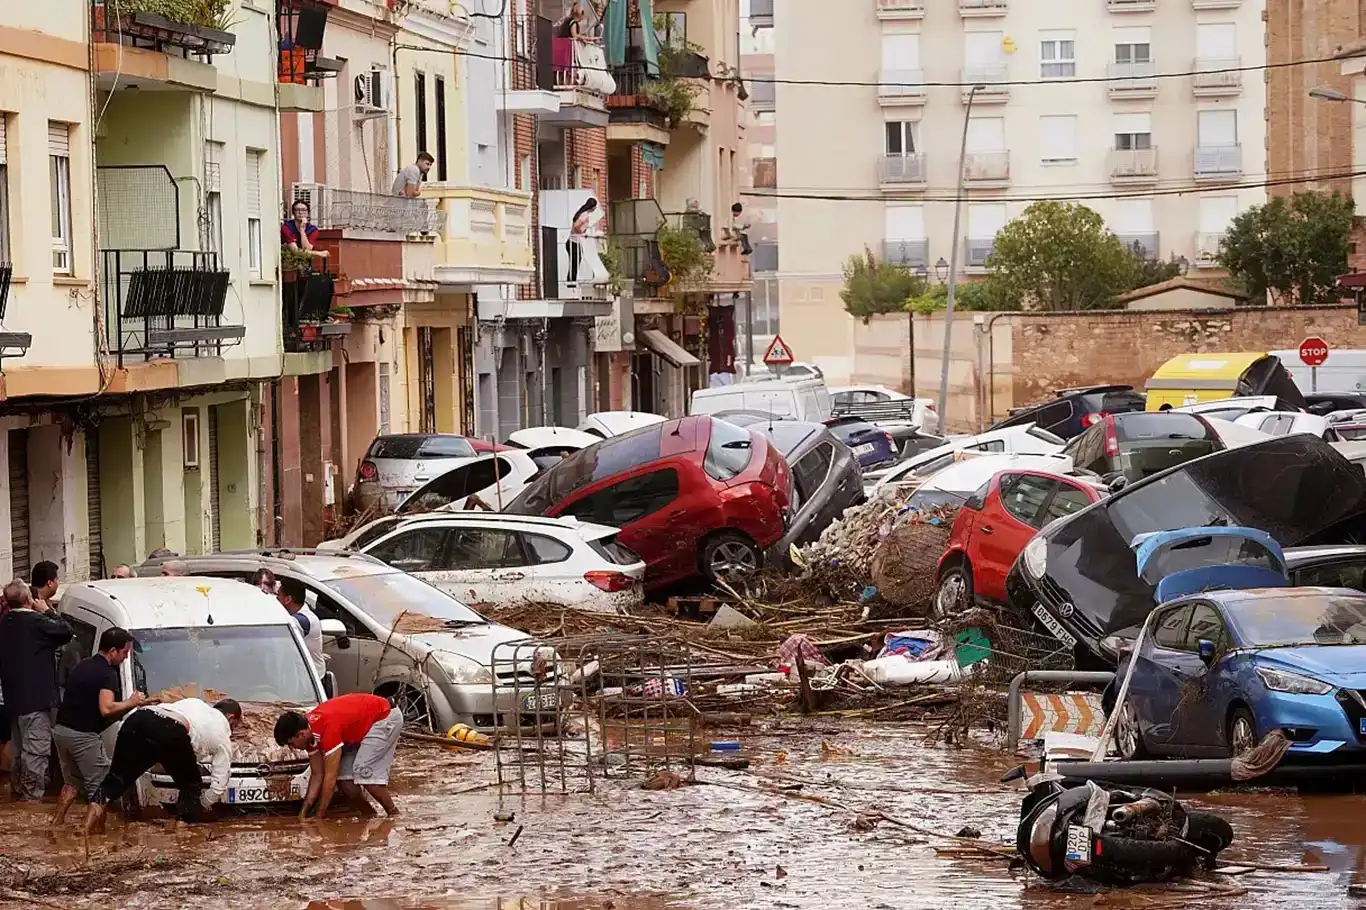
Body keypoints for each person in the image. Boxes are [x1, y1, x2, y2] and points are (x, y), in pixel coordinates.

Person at [85, 697, 242, 834]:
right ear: (230, 718)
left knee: (117, 777)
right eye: (235, 725)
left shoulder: (195, 703)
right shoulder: (223, 735)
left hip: (138, 718)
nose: (233, 730)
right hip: (170, 729)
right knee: (191, 785)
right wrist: (200, 805)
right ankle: (182, 836)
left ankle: (86, 830)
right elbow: (219, 785)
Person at [51, 628, 148, 826]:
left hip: (61, 732)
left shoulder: (84, 664)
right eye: (124, 653)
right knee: (102, 786)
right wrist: (132, 702)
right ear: (112, 651)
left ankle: (57, 822)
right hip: (82, 736)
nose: (125, 657)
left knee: (72, 782)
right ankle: (92, 833)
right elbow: (106, 708)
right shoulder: (107, 673)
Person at [274, 693, 403, 820]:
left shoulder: (327, 729)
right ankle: (369, 814)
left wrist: (319, 817)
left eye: (291, 743)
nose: (292, 748)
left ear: (301, 735)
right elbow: (317, 775)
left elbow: (330, 777)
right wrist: (303, 814)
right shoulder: (309, 734)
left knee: (364, 771)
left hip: (385, 717)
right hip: (361, 727)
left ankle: (394, 815)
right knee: (344, 779)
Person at [0, 579, 73, 800]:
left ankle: (17, 794)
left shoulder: (5, 622)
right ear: (28, 599)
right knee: (35, 752)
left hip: (13, 700)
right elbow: (66, 631)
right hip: (36, 701)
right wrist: (48, 611)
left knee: (20, 752)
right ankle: (33, 801)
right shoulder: (36, 622)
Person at [277, 578, 325, 676]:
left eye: (278, 595)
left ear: (288, 599)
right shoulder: (303, 610)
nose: (276, 599)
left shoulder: (300, 621)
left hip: (312, 681)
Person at [281, 200, 329, 265]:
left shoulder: (313, 229)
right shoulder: (286, 227)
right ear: (293, 212)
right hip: (288, 262)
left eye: (303, 210)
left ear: (308, 213)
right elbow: (295, 251)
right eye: (297, 210)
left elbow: (307, 248)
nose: (300, 212)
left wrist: (302, 231)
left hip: (305, 262)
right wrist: (319, 253)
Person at [566, 197, 597, 285]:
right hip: (574, 242)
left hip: (573, 241)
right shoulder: (585, 215)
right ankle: (571, 284)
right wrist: (582, 233)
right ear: (592, 207)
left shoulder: (582, 213)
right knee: (574, 264)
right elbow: (576, 226)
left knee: (574, 264)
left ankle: (571, 283)